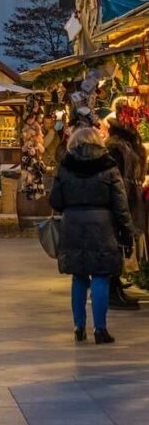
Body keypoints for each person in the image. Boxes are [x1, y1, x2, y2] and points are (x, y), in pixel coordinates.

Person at [50, 125, 135, 344]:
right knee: (100, 276)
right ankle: (100, 329)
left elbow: (55, 201)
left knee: (78, 276)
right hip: (102, 226)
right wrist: (127, 231)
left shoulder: (65, 167)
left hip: (74, 225)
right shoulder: (109, 167)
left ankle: (79, 326)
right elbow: (120, 204)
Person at [105, 105, 147, 310]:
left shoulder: (125, 146)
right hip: (121, 201)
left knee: (122, 242)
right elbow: (116, 179)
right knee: (117, 243)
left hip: (128, 199)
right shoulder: (116, 147)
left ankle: (116, 287)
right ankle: (112, 289)